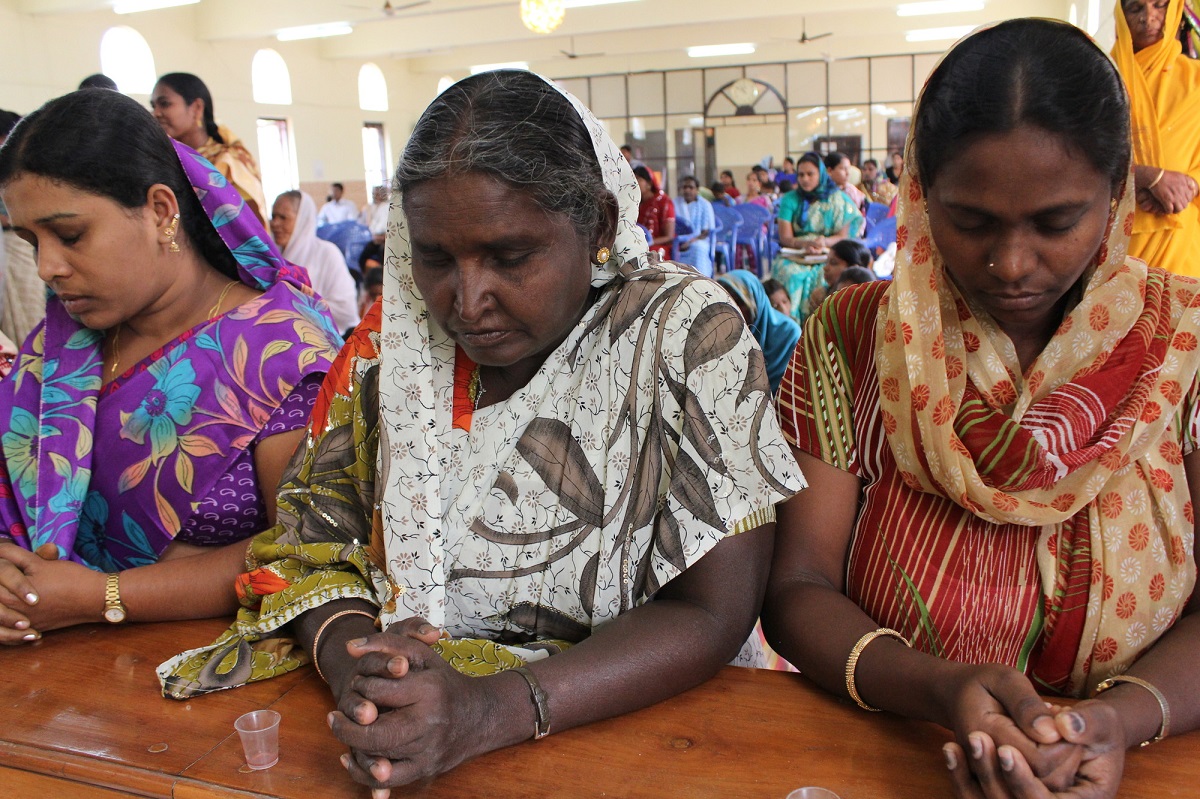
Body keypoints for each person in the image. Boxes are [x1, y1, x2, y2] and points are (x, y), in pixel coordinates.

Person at [157, 70, 807, 794]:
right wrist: (362, 666)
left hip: (639, 741)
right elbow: (312, 544)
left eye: (509, 256)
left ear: (594, 223)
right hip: (417, 737)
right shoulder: (388, 354)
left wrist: (490, 709)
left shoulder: (683, 335)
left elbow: (713, 608)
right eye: (436, 257)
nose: (467, 302)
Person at [763, 19, 1200, 799]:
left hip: (1147, 758)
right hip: (894, 744)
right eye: (970, 222)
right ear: (924, 194)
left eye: (1056, 223)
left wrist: (1113, 723)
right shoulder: (857, 335)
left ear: (1114, 195)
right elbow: (798, 585)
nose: (1011, 264)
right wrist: (938, 688)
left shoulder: (1182, 345)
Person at [0, 89, 342, 643]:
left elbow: (305, 552)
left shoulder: (279, 351)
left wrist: (100, 596)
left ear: (161, 211)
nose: (47, 267)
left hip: (204, 678)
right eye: (27, 240)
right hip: (55, 684)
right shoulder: (58, 349)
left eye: (69, 235)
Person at [1113, 0, 1200, 278]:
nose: (1148, 18)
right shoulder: (1100, 77)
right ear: (1121, 15)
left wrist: (1186, 186)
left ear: (1175, 10)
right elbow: (1075, 154)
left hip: (1180, 233)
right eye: (1135, 8)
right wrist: (1145, 177)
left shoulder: (1197, 79)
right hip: (1114, 234)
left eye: (1159, 5)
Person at [151, 73, 268, 227]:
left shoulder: (228, 162)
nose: (156, 113)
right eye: (153, 106)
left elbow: (250, 229)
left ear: (197, 108)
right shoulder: (162, 160)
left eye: (165, 104)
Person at [771, 152, 864, 324]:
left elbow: (844, 236)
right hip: (796, 254)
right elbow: (785, 237)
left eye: (810, 174)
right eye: (801, 174)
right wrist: (803, 244)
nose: (805, 179)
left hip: (827, 254)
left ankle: (823, 325)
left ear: (820, 174)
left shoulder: (837, 199)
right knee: (789, 272)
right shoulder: (790, 199)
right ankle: (792, 326)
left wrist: (824, 242)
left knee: (824, 274)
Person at [270, 190, 360, 334]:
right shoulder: (273, 257)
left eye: (283, 217)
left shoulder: (327, 253)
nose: (275, 224)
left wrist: (294, 304)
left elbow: (346, 310)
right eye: (273, 216)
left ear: (302, 220)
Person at [716, 270, 801, 395]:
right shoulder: (721, 335)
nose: (732, 311)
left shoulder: (789, 334)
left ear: (755, 301)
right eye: (725, 305)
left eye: (739, 303)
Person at [804, 238, 873, 317]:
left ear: (853, 268)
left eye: (833, 263)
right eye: (826, 262)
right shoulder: (820, 295)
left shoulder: (867, 301)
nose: (825, 268)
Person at [674, 176, 715, 277]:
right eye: (685, 187)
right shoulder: (675, 203)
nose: (687, 190)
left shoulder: (705, 205)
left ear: (697, 190)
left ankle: (700, 279)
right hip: (678, 241)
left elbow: (706, 232)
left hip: (698, 240)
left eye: (691, 187)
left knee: (698, 248)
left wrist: (690, 241)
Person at [634, 165, 675, 260]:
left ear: (649, 184)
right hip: (636, 244)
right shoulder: (633, 203)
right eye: (633, 179)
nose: (634, 183)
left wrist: (649, 242)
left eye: (638, 179)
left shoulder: (664, 202)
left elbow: (669, 236)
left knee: (649, 255)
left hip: (658, 246)